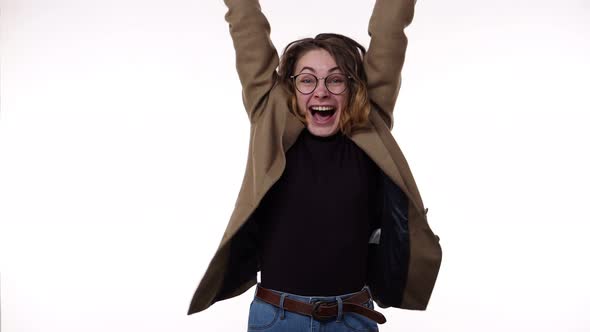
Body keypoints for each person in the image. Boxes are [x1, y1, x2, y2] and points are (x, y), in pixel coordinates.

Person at [187, 0, 442, 331]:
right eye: (307, 80)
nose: (321, 91)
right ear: (291, 87)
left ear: (352, 88)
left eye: (335, 80)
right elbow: (247, 26)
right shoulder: (271, 117)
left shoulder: (370, 122)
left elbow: (389, 31)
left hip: (352, 318)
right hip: (278, 319)